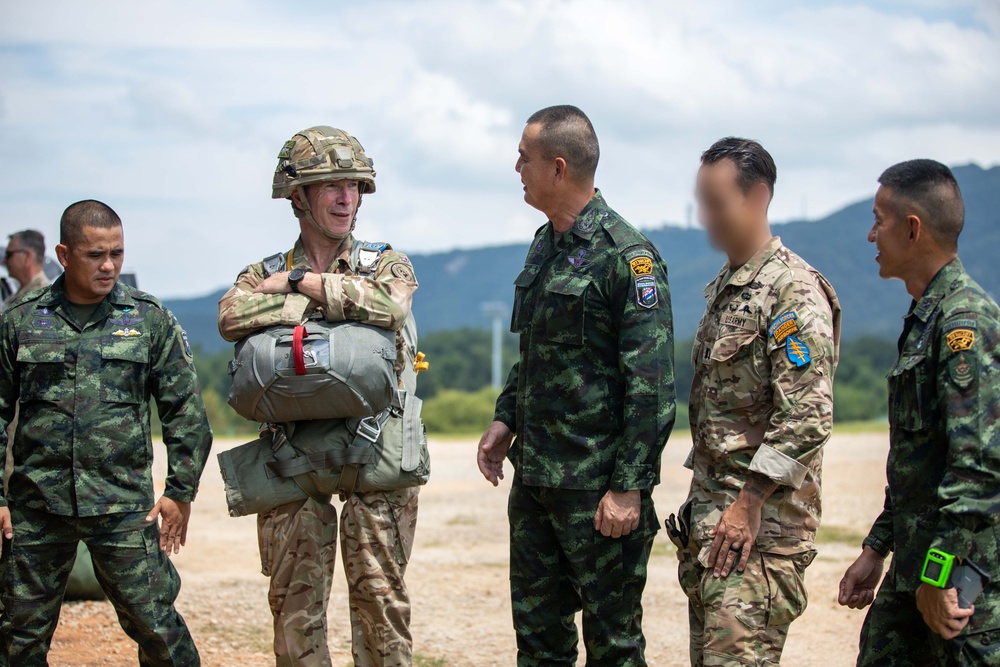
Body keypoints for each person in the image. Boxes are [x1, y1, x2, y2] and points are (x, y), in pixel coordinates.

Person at [476, 105, 676, 667]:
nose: (516, 167)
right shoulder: (545, 245)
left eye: (524, 157)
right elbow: (535, 355)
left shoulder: (627, 258)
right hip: (537, 481)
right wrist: (505, 418)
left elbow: (652, 385)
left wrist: (629, 488)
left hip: (596, 492)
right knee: (539, 646)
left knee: (613, 647)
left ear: (558, 168)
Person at [218, 126, 420, 667]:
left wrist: (300, 285)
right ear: (297, 196)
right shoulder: (259, 272)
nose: (345, 198)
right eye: (329, 185)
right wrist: (333, 302)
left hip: (376, 455)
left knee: (382, 608)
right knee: (294, 614)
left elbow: (391, 305)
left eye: (353, 185)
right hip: (292, 457)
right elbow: (230, 315)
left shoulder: (385, 262)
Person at [0, 200, 213, 666]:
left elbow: (185, 412)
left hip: (122, 506)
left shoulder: (147, 319)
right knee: (18, 636)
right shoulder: (21, 321)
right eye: (96, 254)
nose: (110, 265)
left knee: (158, 627)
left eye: (117, 252)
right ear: (63, 253)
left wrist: (181, 491)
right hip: (37, 507)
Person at [670, 137, 841, 666]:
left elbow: (808, 415)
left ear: (759, 196)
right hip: (716, 530)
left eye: (717, 203)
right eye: (702, 203)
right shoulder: (727, 287)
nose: (707, 218)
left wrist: (748, 504)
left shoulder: (791, 290)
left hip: (758, 535)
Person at [838, 160, 1000, 666]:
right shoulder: (926, 317)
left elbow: (977, 467)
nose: (871, 235)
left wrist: (937, 574)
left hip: (958, 577)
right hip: (917, 565)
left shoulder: (963, 322)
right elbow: (918, 458)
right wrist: (878, 546)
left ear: (912, 228)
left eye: (878, 220)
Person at [3, 230, 50, 303]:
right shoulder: (18, 296)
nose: (4, 260)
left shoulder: (43, 296)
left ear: (27, 256)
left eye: (9, 254)